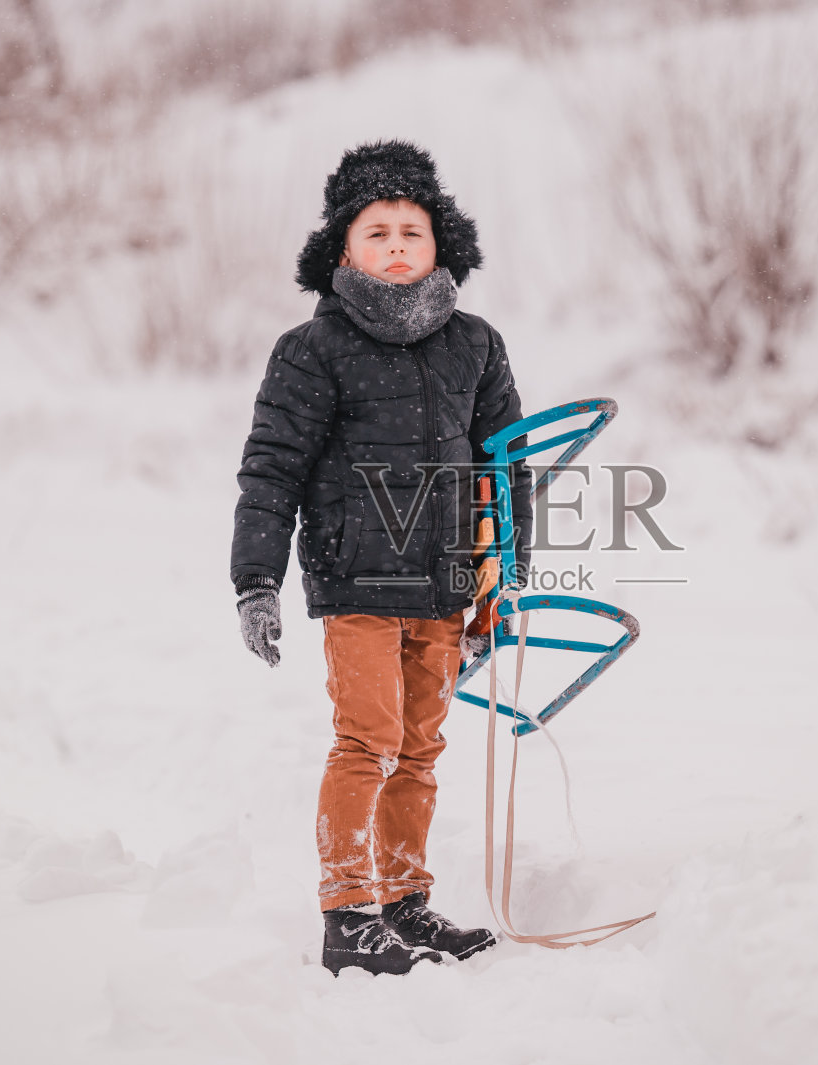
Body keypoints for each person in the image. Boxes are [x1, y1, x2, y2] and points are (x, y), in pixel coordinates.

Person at [230, 140, 533, 976]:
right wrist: (258, 581)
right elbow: (272, 467)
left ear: (443, 245)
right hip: (355, 577)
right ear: (343, 249)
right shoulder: (312, 349)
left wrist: (504, 580)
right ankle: (347, 912)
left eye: (413, 230)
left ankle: (403, 901)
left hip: (442, 582)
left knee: (423, 748)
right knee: (369, 740)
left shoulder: (475, 344)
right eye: (377, 231)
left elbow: (505, 468)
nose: (397, 244)